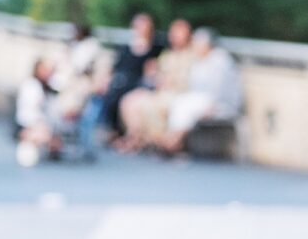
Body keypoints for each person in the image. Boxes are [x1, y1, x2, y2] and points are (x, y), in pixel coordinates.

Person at [153, 26, 241, 153]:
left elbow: (222, 90)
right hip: (202, 99)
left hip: (219, 104)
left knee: (187, 107)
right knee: (181, 103)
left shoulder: (220, 61)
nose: (194, 45)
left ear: (206, 44)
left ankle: (172, 142)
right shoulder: (200, 61)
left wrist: (215, 106)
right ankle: (172, 140)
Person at [118, 14, 191, 149]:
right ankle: (136, 138)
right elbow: (156, 73)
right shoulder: (168, 54)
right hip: (159, 89)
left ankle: (161, 142)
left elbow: (186, 80)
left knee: (150, 105)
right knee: (129, 100)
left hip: (176, 92)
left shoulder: (191, 56)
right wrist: (154, 75)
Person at [99, 10, 158, 146]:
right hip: (120, 81)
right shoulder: (126, 48)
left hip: (137, 83)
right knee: (112, 94)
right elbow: (115, 67)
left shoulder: (154, 49)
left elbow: (150, 71)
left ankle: (128, 137)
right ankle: (113, 131)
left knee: (123, 96)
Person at [14, 53, 64, 167]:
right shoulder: (31, 86)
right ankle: (30, 138)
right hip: (30, 122)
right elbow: (31, 110)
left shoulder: (49, 85)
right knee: (44, 133)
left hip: (45, 122)